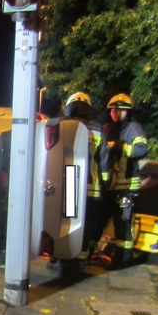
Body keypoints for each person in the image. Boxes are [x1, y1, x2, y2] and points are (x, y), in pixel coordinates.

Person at [47, 92, 108, 274]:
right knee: (86, 227)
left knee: (65, 225)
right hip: (90, 188)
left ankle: (59, 260)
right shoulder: (98, 129)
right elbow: (104, 161)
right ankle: (79, 264)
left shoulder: (57, 123)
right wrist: (104, 184)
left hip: (70, 184)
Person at [90, 93, 148, 269]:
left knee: (122, 224)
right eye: (114, 109)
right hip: (108, 186)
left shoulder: (134, 128)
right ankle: (85, 255)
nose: (117, 113)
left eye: (121, 110)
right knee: (98, 221)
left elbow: (142, 149)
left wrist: (121, 147)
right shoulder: (107, 128)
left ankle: (122, 260)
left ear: (128, 112)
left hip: (126, 187)